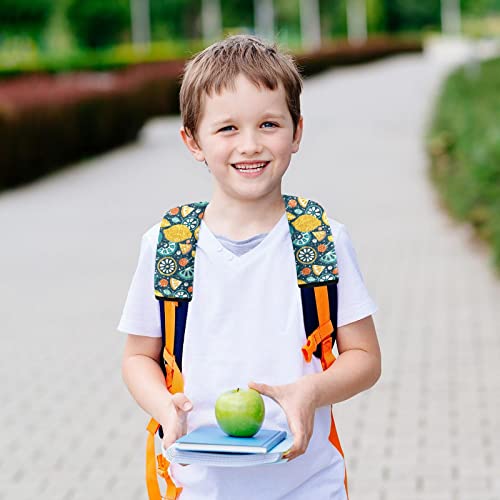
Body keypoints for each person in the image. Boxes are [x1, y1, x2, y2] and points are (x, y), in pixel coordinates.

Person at [119, 34, 381, 500]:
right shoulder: (167, 244)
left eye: (268, 124)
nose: (251, 145)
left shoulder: (321, 240)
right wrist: (165, 408)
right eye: (227, 129)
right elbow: (139, 356)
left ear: (297, 131)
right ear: (192, 141)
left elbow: (364, 358)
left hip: (307, 482)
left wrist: (312, 391)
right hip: (197, 485)